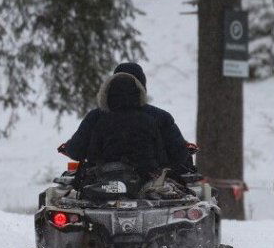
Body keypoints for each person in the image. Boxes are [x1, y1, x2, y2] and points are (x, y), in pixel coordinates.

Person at [60, 62, 193, 176]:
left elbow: (76, 151)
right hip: (152, 183)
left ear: (109, 87)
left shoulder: (95, 117)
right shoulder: (160, 116)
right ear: (142, 88)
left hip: (99, 185)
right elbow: (179, 154)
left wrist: (68, 147)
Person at [83, 71, 166, 180]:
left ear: (108, 96)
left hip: (109, 179)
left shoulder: (102, 122)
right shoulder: (149, 121)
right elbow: (161, 155)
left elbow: (93, 154)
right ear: (138, 95)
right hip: (145, 178)